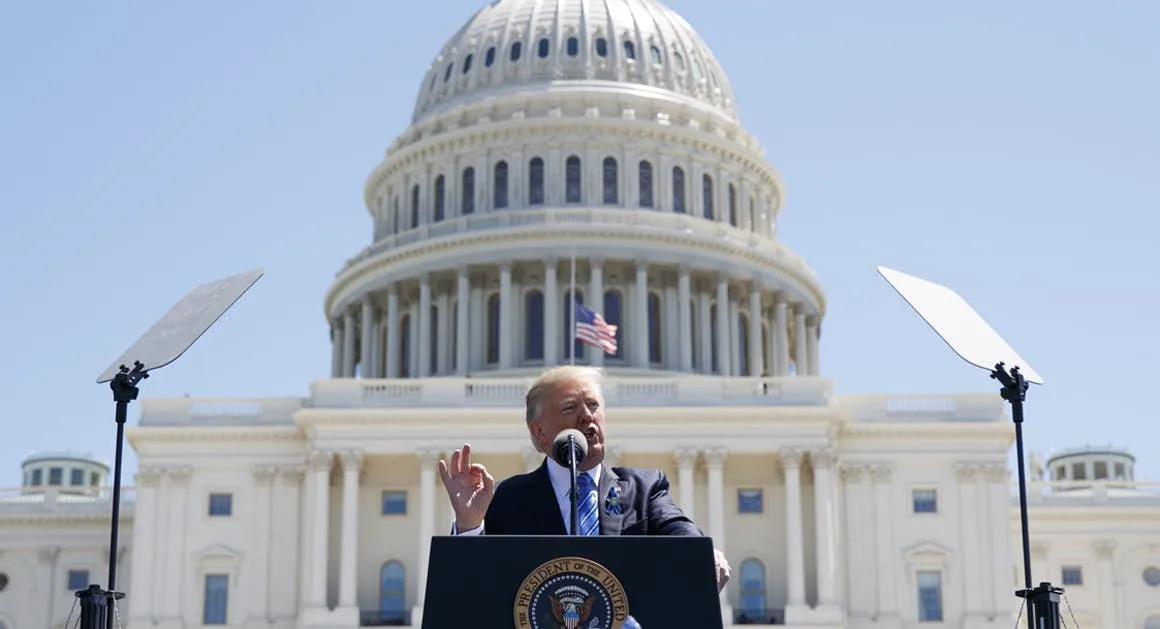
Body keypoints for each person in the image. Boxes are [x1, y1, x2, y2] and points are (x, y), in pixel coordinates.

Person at [438, 365, 731, 592]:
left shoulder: (643, 490)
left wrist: (701, 554)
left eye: (593, 405)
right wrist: (469, 526)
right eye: (570, 408)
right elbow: (471, 587)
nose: (587, 417)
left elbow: (678, 530)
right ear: (539, 432)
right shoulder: (505, 499)